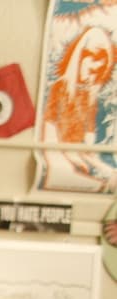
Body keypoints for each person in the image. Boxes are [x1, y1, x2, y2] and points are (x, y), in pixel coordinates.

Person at [41, 24, 117, 190]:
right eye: (90, 70)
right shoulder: (59, 89)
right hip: (59, 153)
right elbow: (49, 137)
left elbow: (88, 142)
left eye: (98, 73)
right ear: (79, 60)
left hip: (78, 154)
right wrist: (71, 156)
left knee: (111, 177)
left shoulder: (89, 96)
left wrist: (93, 161)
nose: (92, 78)